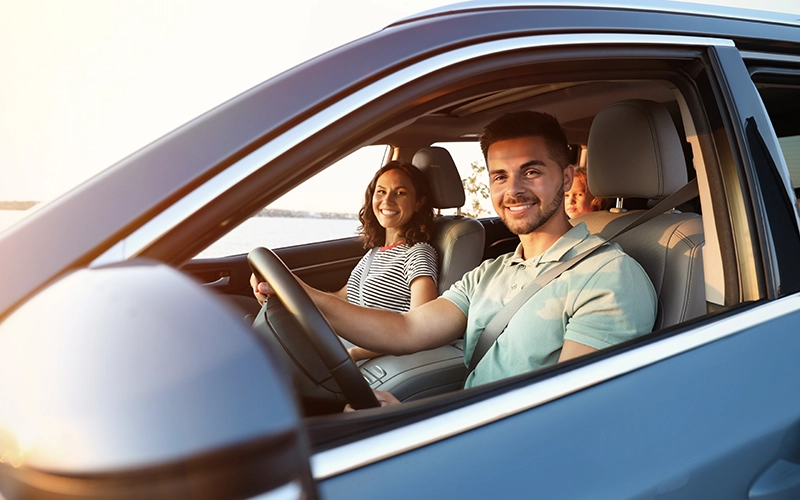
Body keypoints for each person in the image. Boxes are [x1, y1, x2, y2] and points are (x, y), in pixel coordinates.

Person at [253, 111, 657, 409]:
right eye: (499, 176)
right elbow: (407, 329)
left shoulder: (609, 277)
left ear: (567, 178)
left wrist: (416, 430)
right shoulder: (491, 271)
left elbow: (567, 416)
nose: (512, 190)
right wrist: (301, 294)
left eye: (531, 172)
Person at [253, 160, 439, 362]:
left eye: (400, 192)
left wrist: (355, 353)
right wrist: (284, 295)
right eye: (381, 192)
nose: (387, 200)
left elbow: (422, 326)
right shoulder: (374, 253)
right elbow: (341, 300)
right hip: (340, 344)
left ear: (419, 202)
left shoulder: (418, 253)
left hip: (363, 356)